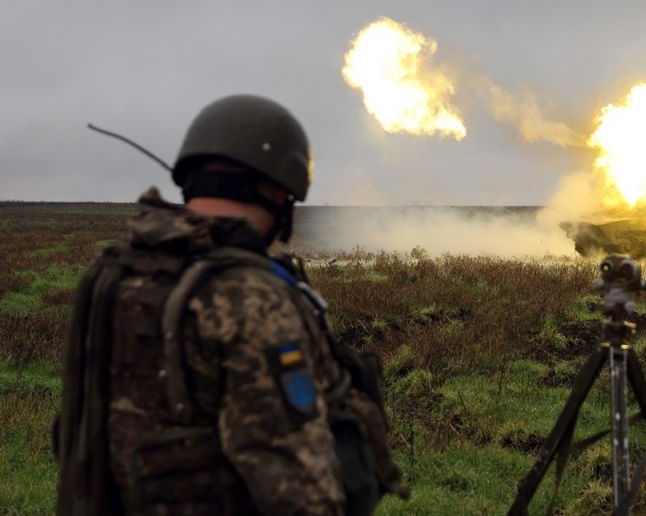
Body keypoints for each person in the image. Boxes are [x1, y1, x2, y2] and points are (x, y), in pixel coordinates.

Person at [55, 95, 404, 515]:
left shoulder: (111, 273)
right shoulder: (249, 297)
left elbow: (73, 436)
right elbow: (297, 486)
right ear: (277, 192)